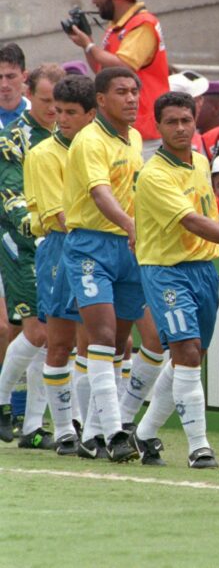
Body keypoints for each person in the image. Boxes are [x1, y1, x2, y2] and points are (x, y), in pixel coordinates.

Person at [131, 91, 219, 468]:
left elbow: (208, 217)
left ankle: (145, 434)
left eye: (186, 120)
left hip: (203, 270)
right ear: (159, 126)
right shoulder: (153, 174)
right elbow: (193, 221)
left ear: (195, 120)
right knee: (187, 351)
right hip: (166, 270)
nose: (180, 128)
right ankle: (199, 446)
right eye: (171, 122)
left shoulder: (200, 161)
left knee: (191, 356)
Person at [59, 67, 146, 462]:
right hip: (91, 245)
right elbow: (100, 194)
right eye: (122, 92)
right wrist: (131, 224)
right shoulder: (89, 140)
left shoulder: (135, 138)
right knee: (104, 334)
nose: (131, 99)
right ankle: (114, 433)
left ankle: (92, 433)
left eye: (135, 91)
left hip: (127, 249)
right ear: (100, 100)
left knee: (121, 340)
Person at [24, 75, 95, 455]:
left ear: (90, 115)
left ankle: (94, 426)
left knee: (105, 341)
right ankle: (65, 428)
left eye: (70, 112)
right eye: (58, 111)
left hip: (103, 244)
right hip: (63, 246)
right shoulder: (43, 155)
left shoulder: (102, 146)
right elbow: (63, 217)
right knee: (60, 342)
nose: (60, 118)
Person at [0, 64, 64, 448]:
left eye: (62, 103)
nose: (55, 110)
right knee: (37, 332)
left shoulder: (70, 135)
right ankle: (3, 399)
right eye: (46, 102)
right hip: (21, 242)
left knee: (54, 335)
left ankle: (33, 426)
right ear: (31, 93)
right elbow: (10, 198)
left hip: (57, 242)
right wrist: (42, 228)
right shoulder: (13, 138)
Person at [65, 0, 169, 159]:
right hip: (123, 126)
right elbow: (102, 70)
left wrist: (89, 45)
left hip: (144, 130)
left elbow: (124, 67)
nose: (94, 1)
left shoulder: (143, 24)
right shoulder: (118, 27)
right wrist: (86, 43)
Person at [0, 43, 29, 127]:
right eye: (0, 77)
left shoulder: (39, 115)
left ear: (24, 76)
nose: (4, 84)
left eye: (10, 77)